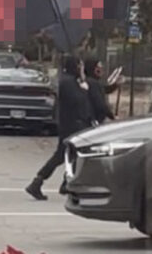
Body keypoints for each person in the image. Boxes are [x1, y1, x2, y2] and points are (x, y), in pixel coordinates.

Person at [26, 56, 93, 201]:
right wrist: (84, 90)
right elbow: (77, 100)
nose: (82, 69)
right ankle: (39, 182)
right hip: (71, 125)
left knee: (70, 156)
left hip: (74, 124)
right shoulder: (68, 83)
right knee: (64, 155)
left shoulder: (72, 81)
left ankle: (63, 183)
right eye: (80, 65)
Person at [83, 56, 118, 124]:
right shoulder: (93, 83)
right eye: (99, 67)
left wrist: (115, 85)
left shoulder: (90, 82)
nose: (101, 69)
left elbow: (104, 89)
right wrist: (112, 116)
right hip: (96, 120)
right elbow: (100, 104)